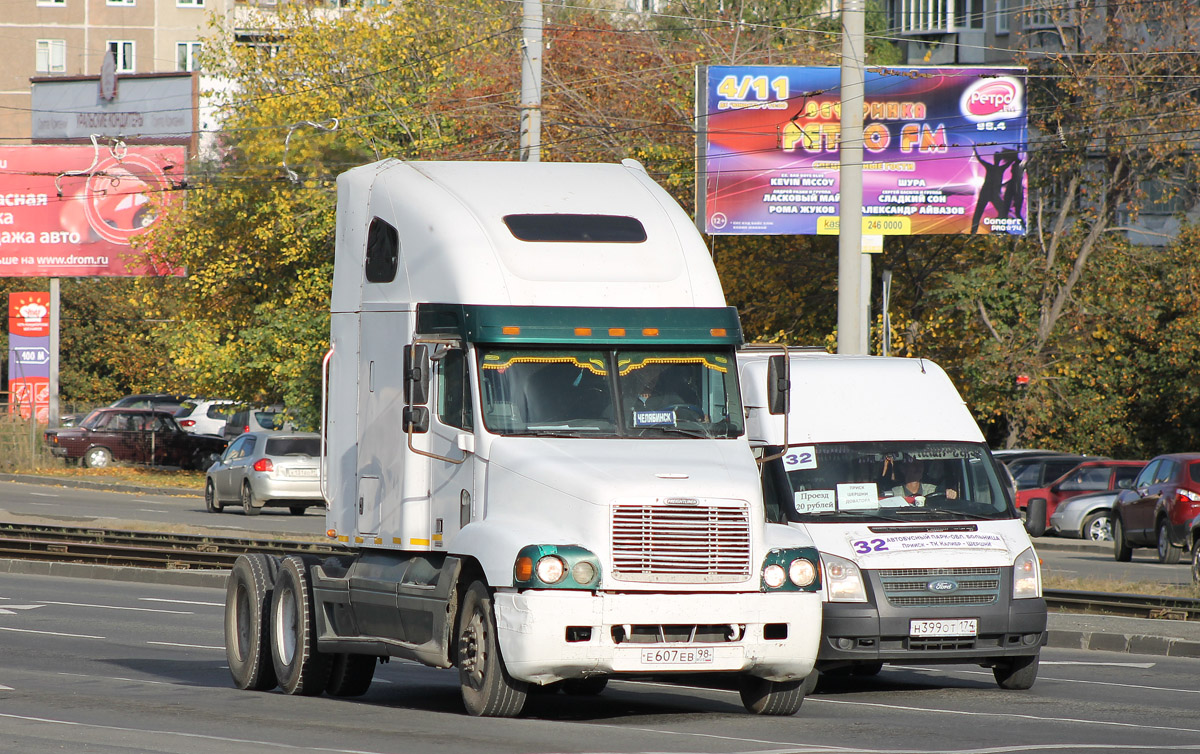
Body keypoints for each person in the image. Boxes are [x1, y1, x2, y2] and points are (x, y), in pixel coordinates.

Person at [884, 457, 957, 503]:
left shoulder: (934, 490)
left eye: (920, 464)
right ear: (903, 468)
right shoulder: (893, 494)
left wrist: (950, 494)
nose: (918, 468)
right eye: (914, 464)